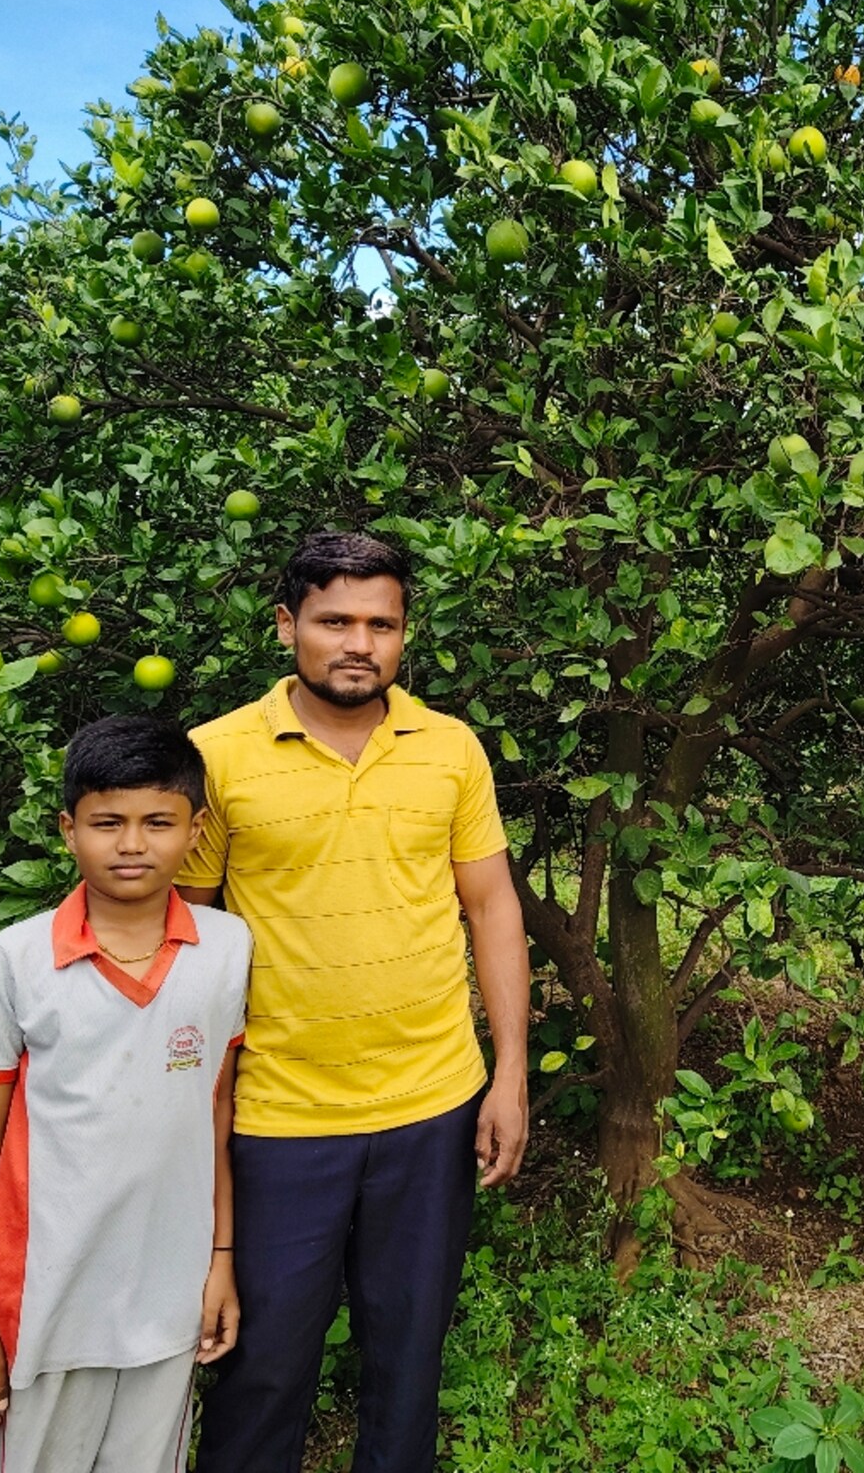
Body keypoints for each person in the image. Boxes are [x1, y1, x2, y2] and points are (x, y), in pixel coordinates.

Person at [178, 530, 532, 1472]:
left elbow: (491, 906)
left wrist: (510, 1076)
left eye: (382, 624)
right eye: (335, 620)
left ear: (404, 636)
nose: (359, 643)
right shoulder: (215, 758)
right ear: (287, 624)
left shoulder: (450, 748)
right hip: (278, 1116)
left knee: (409, 1359)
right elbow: (189, 937)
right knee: (262, 1367)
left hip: (432, 1104)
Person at [0, 714, 250, 1473]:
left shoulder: (226, 949)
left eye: (159, 822)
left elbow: (213, 1109)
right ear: (68, 829)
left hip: (170, 1298)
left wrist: (219, 1259)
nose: (133, 844)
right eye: (107, 822)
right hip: (46, 1309)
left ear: (196, 827)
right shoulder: (11, 962)